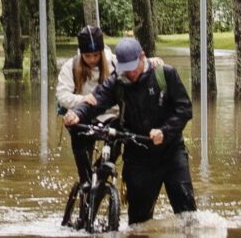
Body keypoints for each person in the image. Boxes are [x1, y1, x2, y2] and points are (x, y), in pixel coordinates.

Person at [63, 35, 197, 223]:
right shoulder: (117, 81)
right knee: (138, 224)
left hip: (171, 154)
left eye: (133, 68)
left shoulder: (165, 74)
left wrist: (165, 131)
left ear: (142, 57)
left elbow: (184, 109)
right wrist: (77, 114)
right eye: (125, 70)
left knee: (188, 216)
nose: (130, 74)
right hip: (138, 158)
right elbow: (96, 100)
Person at [54, 27, 117, 183]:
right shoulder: (71, 66)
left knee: (117, 144)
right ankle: (85, 183)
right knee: (81, 148)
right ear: (81, 53)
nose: (93, 59)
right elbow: (62, 95)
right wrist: (82, 100)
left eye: (96, 55)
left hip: (110, 115)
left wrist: (153, 62)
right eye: (88, 56)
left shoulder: (114, 63)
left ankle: (100, 180)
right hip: (81, 118)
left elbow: (135, 66)